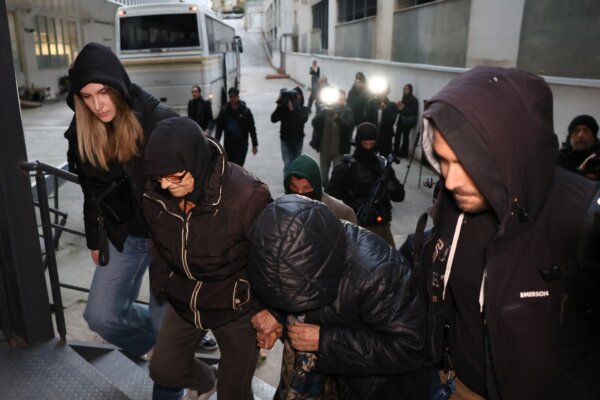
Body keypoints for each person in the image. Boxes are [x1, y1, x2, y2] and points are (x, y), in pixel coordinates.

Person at [412, 66, 600, 399]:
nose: (451, 181)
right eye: (443, 161)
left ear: (512, 151)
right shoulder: (453, 203)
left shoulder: (584, 219)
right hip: (457, 385)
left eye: (466, 162)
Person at [64, 42, 180, 398]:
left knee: (167, 328)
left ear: (118, 86)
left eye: (103, 92)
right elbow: (91, 190)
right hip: (124, 234)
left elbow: (203, 175)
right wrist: (94, 237)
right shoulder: (83, 130)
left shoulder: (158, 121)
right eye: (86, 96)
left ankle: (173, 362)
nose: (97, 104)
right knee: (100, 315)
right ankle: (169, 349)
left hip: (166, 241)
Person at [248, 195, 428, 400]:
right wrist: (275, 313)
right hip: (306, 378)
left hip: (366, 389)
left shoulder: (381, 276)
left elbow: (412, 347)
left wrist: (326, 341)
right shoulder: (298, 247)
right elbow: (284, 285)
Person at [143, 117, 272, 400]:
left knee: (233, 393)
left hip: (236, 307)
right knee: (164, 370)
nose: (164, 184)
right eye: (159, 177)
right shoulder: (156, 189)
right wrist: (164, 280)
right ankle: (207, 380)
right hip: (184, 298)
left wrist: (269, 311)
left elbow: (272, 260)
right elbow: (156, 238)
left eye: (174, 177)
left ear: (197, 162)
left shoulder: (247, 196)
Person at [327, 122, 405, 247]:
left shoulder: (382, 166)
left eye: (371, 144)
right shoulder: (345, 168)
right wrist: (352, 208)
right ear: (358, 142)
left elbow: (400, 196)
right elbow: (330, 201)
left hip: (382, 226)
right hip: (356, 229)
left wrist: (390, 187)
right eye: (365, 144)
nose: (368, 148)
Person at [284, 154, 357, 224]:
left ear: (316, 186)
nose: (300, 192)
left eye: (306, 188)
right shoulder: (282, 209)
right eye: (294, 187)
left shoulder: (341, 213)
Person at [310, 89, 354, 188]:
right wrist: (324, 112)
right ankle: (326, 190)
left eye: (341, 99)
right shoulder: (325, 110)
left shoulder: (347, 111)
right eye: (337, 99)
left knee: (337, 176)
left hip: (339, 151)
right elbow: (314, 123)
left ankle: (333, 193)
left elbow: (349, 127)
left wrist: (337, 118)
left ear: (345, 100)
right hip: (324, 149)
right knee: (323, 177)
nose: (339, 101)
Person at [271, 87, 310, 178]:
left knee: (296, 165)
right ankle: (287, 185)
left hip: (298, 140)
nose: (297, 97)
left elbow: (302, 120)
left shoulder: (304, 109)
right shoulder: (284, 108)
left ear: (301, 96)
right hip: (285, 140)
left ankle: (294, 183)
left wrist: (292, 109)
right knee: (288, 165)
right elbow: (273, 119)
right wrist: (279, 105)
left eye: (298, 95)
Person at [214, 87, 258, 167]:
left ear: (238, 97)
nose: (233, 99)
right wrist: (216, 143)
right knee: (229, 166)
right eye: (231, 97)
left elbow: (252, 128)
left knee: (238, 166)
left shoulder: (246, 111)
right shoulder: (224, 111)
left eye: (234, 97)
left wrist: (254, 144)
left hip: (242, 145)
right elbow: (219, 128)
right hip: (228, 145)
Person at [557, 114, 600, 180]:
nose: (580, 135)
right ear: (570, 137)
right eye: (576, 131)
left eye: (586, 131)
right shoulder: (559, 160)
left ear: (594, 137)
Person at [363, 83, 399, 157]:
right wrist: (370, 101)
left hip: (386, 137)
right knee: (370, 158)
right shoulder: (373, 104)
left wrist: (385, 109)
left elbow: (392, 121)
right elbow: (365, 117)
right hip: (373, 136)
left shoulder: (392, 105)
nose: (381, 94)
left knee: (385, 159)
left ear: (387, 92)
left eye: (383, 91)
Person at [393, 83, 419, 158]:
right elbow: (401, 111)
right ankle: (396, 151)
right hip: (401, 120)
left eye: (407, 89)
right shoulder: (404, 98)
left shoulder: (413, 99)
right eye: (404, 89)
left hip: (407, 122)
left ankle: (404, 153)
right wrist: (399, 108)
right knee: (397, 135)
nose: (405, 91)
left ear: (410, 90)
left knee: (405, 137)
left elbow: (413, 112)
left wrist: (403, 108)